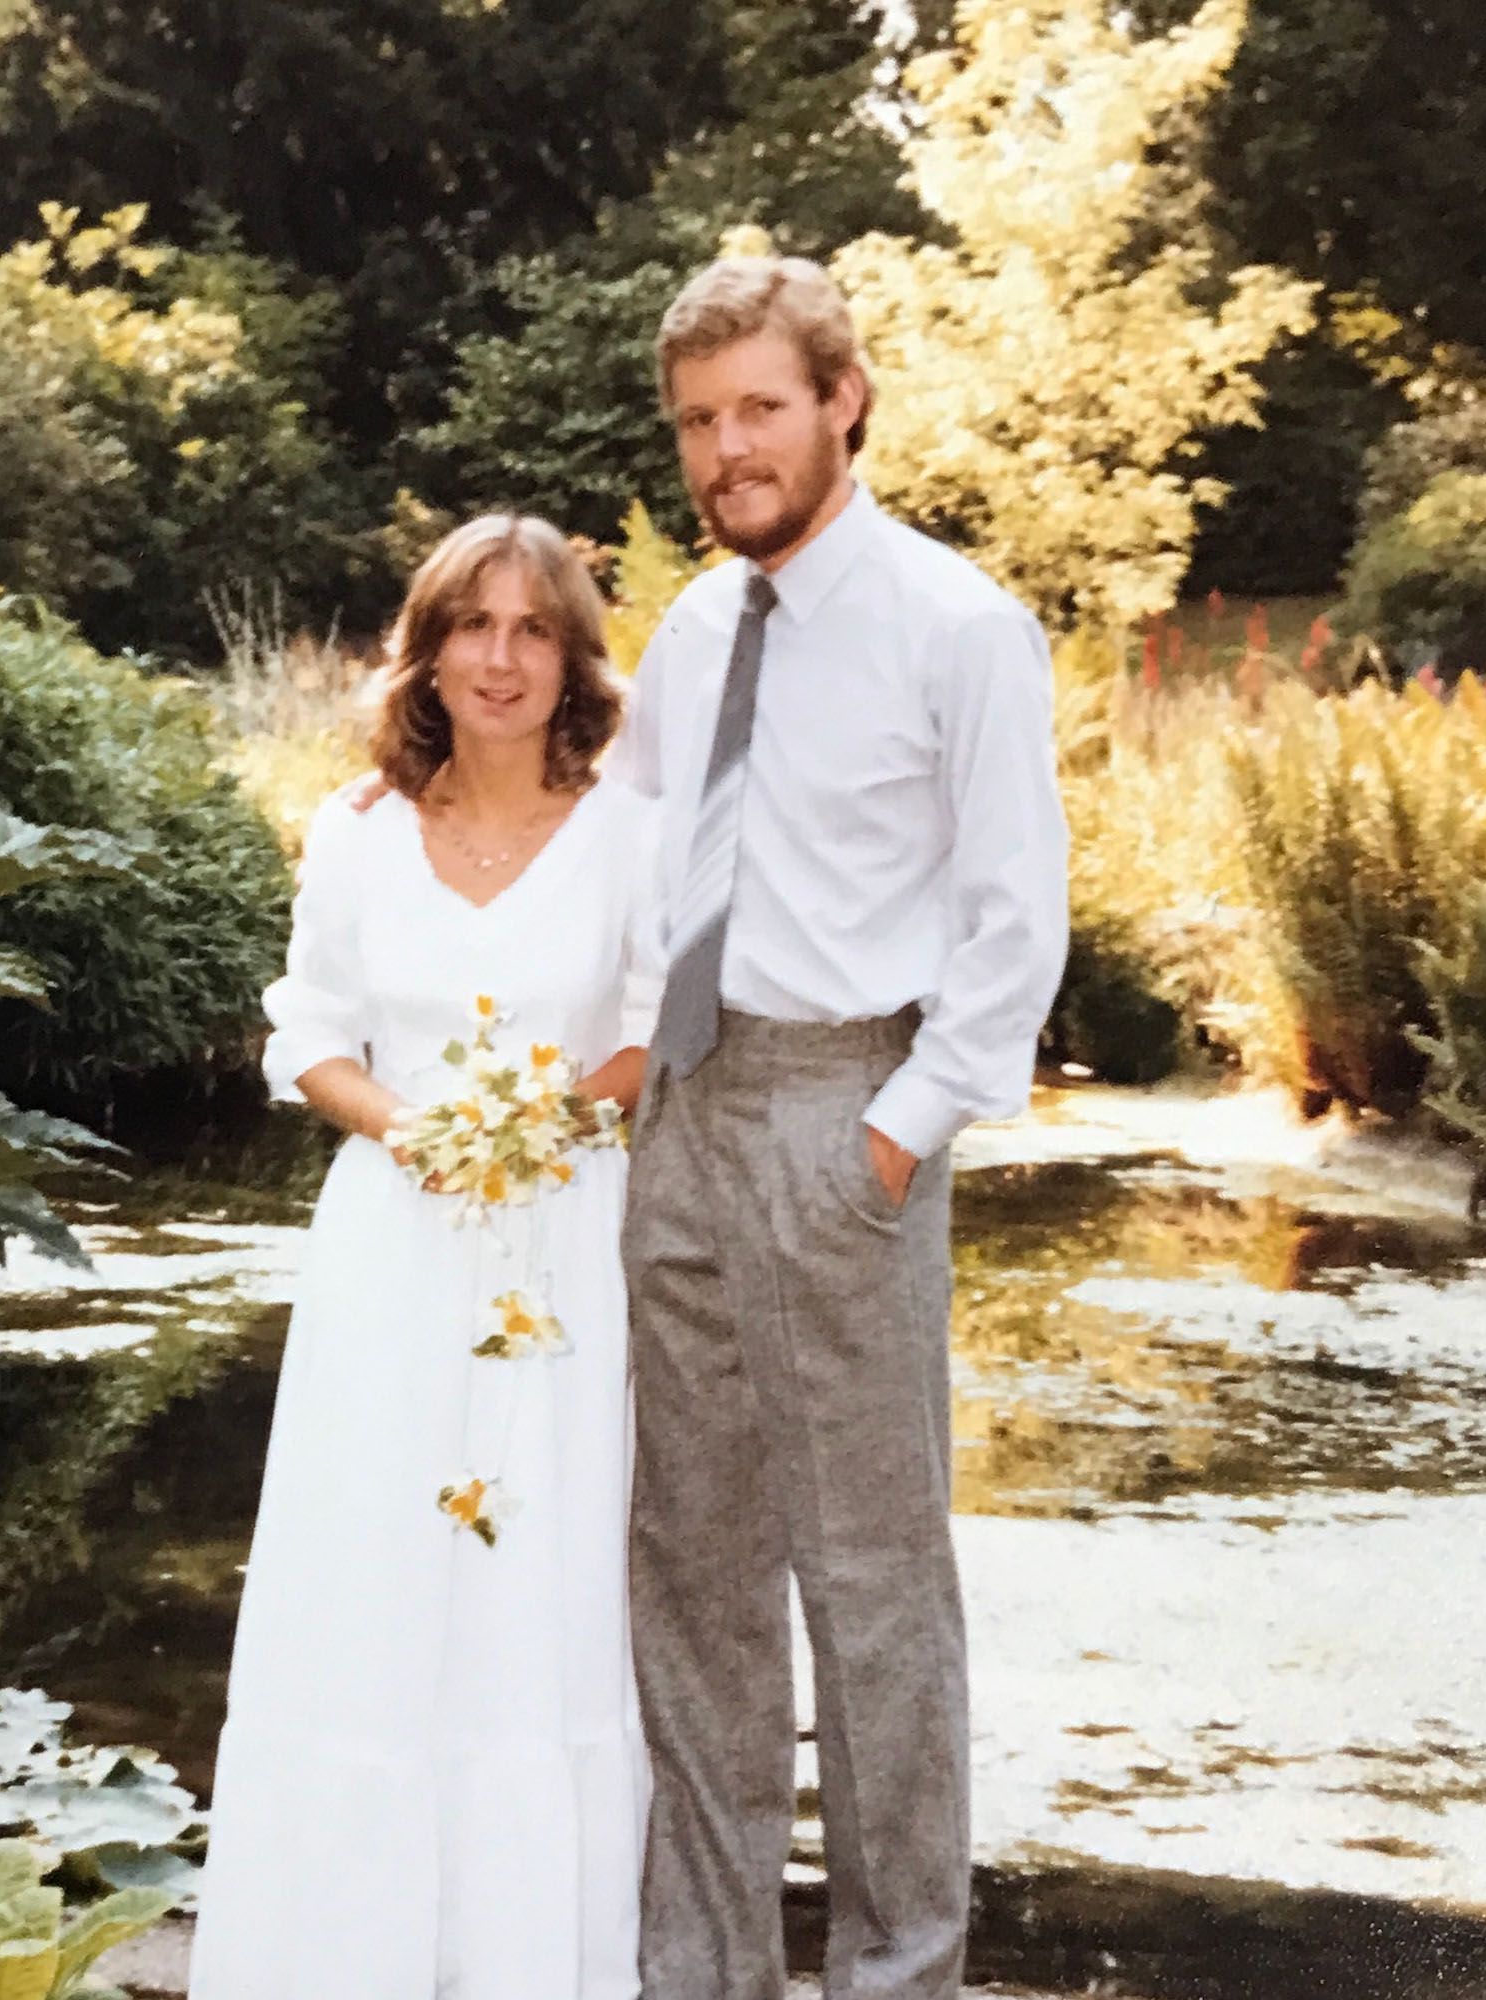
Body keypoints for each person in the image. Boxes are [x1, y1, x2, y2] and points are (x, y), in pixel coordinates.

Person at [614, 256, 1068, 1999]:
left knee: (873, 1590)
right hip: (685, 1116)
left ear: (843, 402)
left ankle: (901, 1976)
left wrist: (899, 1131)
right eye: (700, 424)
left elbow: (1016, 919)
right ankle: (706, 1974)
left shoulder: (959, 625)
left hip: (840, 1111)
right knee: (694, 1579)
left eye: (759, 411)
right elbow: (636, 863)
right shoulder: (690, 631)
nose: (728, 452)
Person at [188, 512, 664, 2000]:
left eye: (535, 629)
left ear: (572, 654)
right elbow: (310, 1037)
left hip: (566, 1244)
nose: (503, 659)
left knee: (541, 1585)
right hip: (395, 1242)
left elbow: (655, 1027)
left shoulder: (633, 828)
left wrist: (552, 1123)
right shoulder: (356, 830)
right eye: (474, 626)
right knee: (375, 1585)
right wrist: (412, 1133)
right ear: (430, 647)